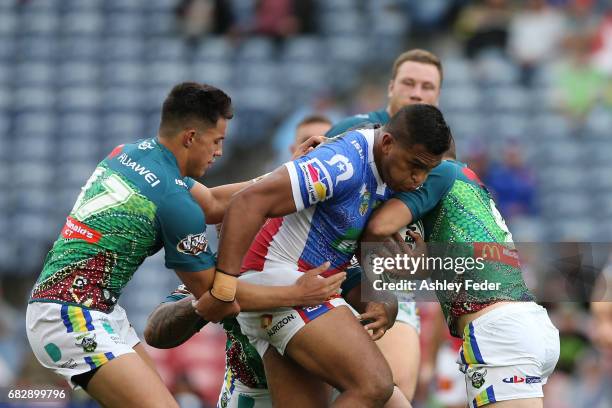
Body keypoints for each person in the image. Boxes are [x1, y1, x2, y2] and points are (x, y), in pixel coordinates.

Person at [24, 82, 337, 408]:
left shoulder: (133, 153)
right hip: (71, 316)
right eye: (216, 141)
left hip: (91, 308)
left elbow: (215, 202)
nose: (219, 152)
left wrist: (287, 175)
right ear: (190, 137)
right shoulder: (175, 201)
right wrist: (297, 294)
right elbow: (217, 293)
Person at [196, 104, 451, 407]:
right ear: (387, 144)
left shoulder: (383, 169)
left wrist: (383, 295)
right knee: (375, 385)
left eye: (426, 171)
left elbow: (362, 238)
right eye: (414, 165)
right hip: (281, 279)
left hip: (298, 290)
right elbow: (246, 203)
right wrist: (225, 288)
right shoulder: (342, 163)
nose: (418, 179)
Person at [363, 143, 560, 408]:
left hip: (498, 331)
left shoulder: (440, 172)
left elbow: (378, 226)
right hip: (525, 324)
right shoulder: (467, 187)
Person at [325, 48, 443, 402]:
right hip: (335, 273)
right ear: (391, 86)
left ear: (438, 95)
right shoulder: (354, 131)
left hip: (392, 282)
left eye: (428, 86)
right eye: (408, 82)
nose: (417, 92)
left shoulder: (441, 154)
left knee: (395, 391)